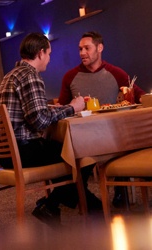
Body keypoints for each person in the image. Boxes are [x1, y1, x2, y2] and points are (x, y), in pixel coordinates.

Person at [0, 32, 100, 227]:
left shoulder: (11, 76)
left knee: (68, 150)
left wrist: (53, 109)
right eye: (49, 54)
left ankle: (68, 204)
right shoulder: (30, 76)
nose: (49, 60)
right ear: (41, 52)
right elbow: (40, 122)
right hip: (24, 150)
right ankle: (54, 205)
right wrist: (73, 108)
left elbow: (30, 112)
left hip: (7, 152)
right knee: (83, 153)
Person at [58, 31, 146, 208]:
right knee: (85, 151)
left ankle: (120, 192)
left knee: (123, 139)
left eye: (87, 48)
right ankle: (84, 198)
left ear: (100, 48)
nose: (82, 52)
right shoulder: (70, 77)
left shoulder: (116, 73)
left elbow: (139, 95)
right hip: (85, 137)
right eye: (80, 49)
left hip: (115, 134)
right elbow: (62, 108)